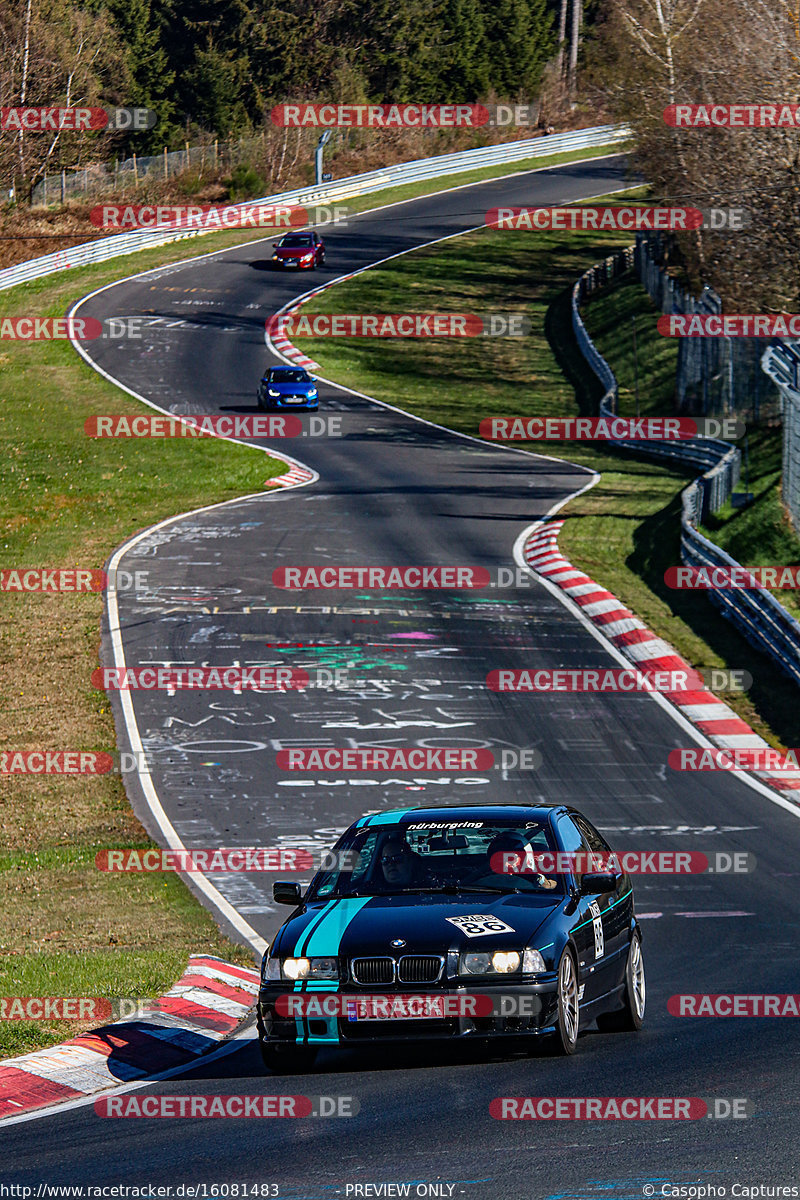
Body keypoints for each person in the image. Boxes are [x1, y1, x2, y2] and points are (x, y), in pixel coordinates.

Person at [485, 830, 557, 889]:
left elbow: (555, 885)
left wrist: (542, 882)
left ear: (524, 858)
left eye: (511, 858)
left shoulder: (532, 876)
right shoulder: (484, 874)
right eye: (500, 859)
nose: (505, 864)